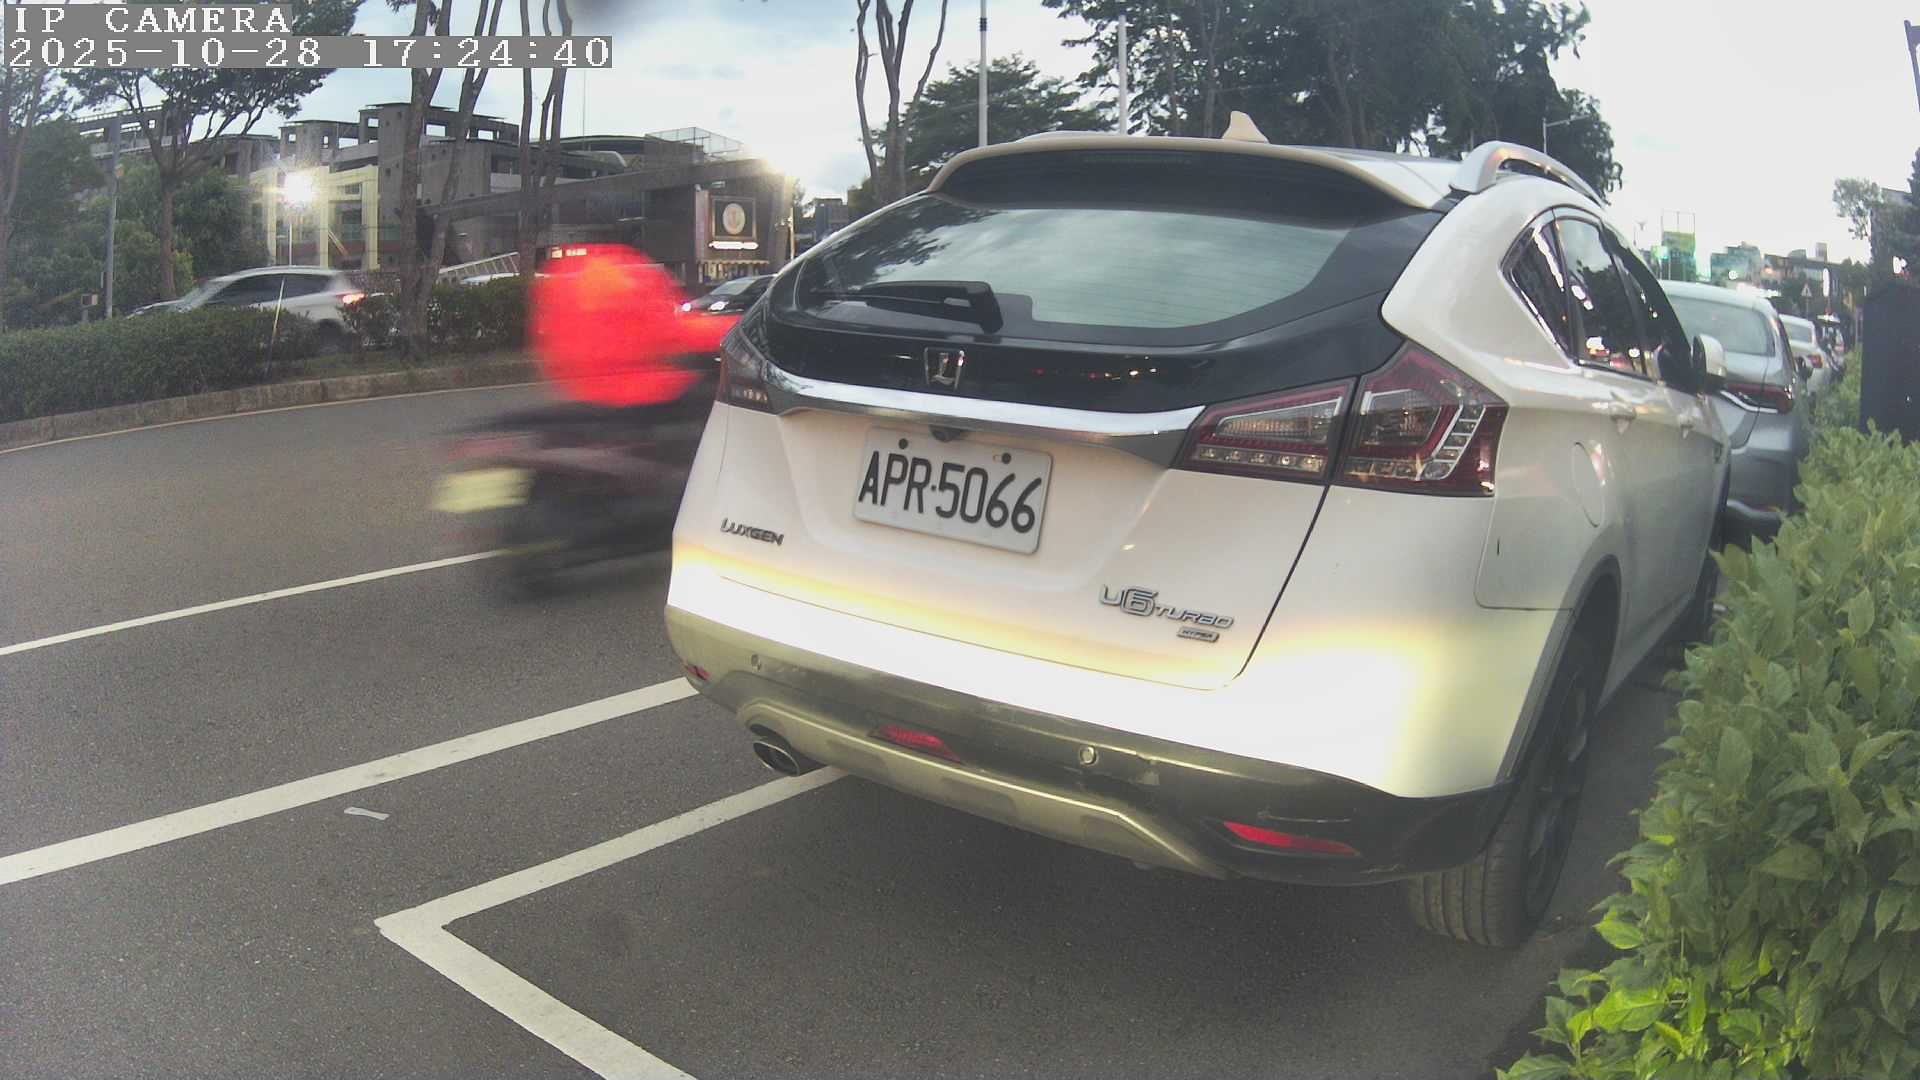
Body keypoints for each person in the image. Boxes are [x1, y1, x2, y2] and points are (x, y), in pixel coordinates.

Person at [527, 244, 728, 426]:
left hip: (605, 396)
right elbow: (676, 332)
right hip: (643, 397)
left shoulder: (582, 296)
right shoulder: (634, 295)